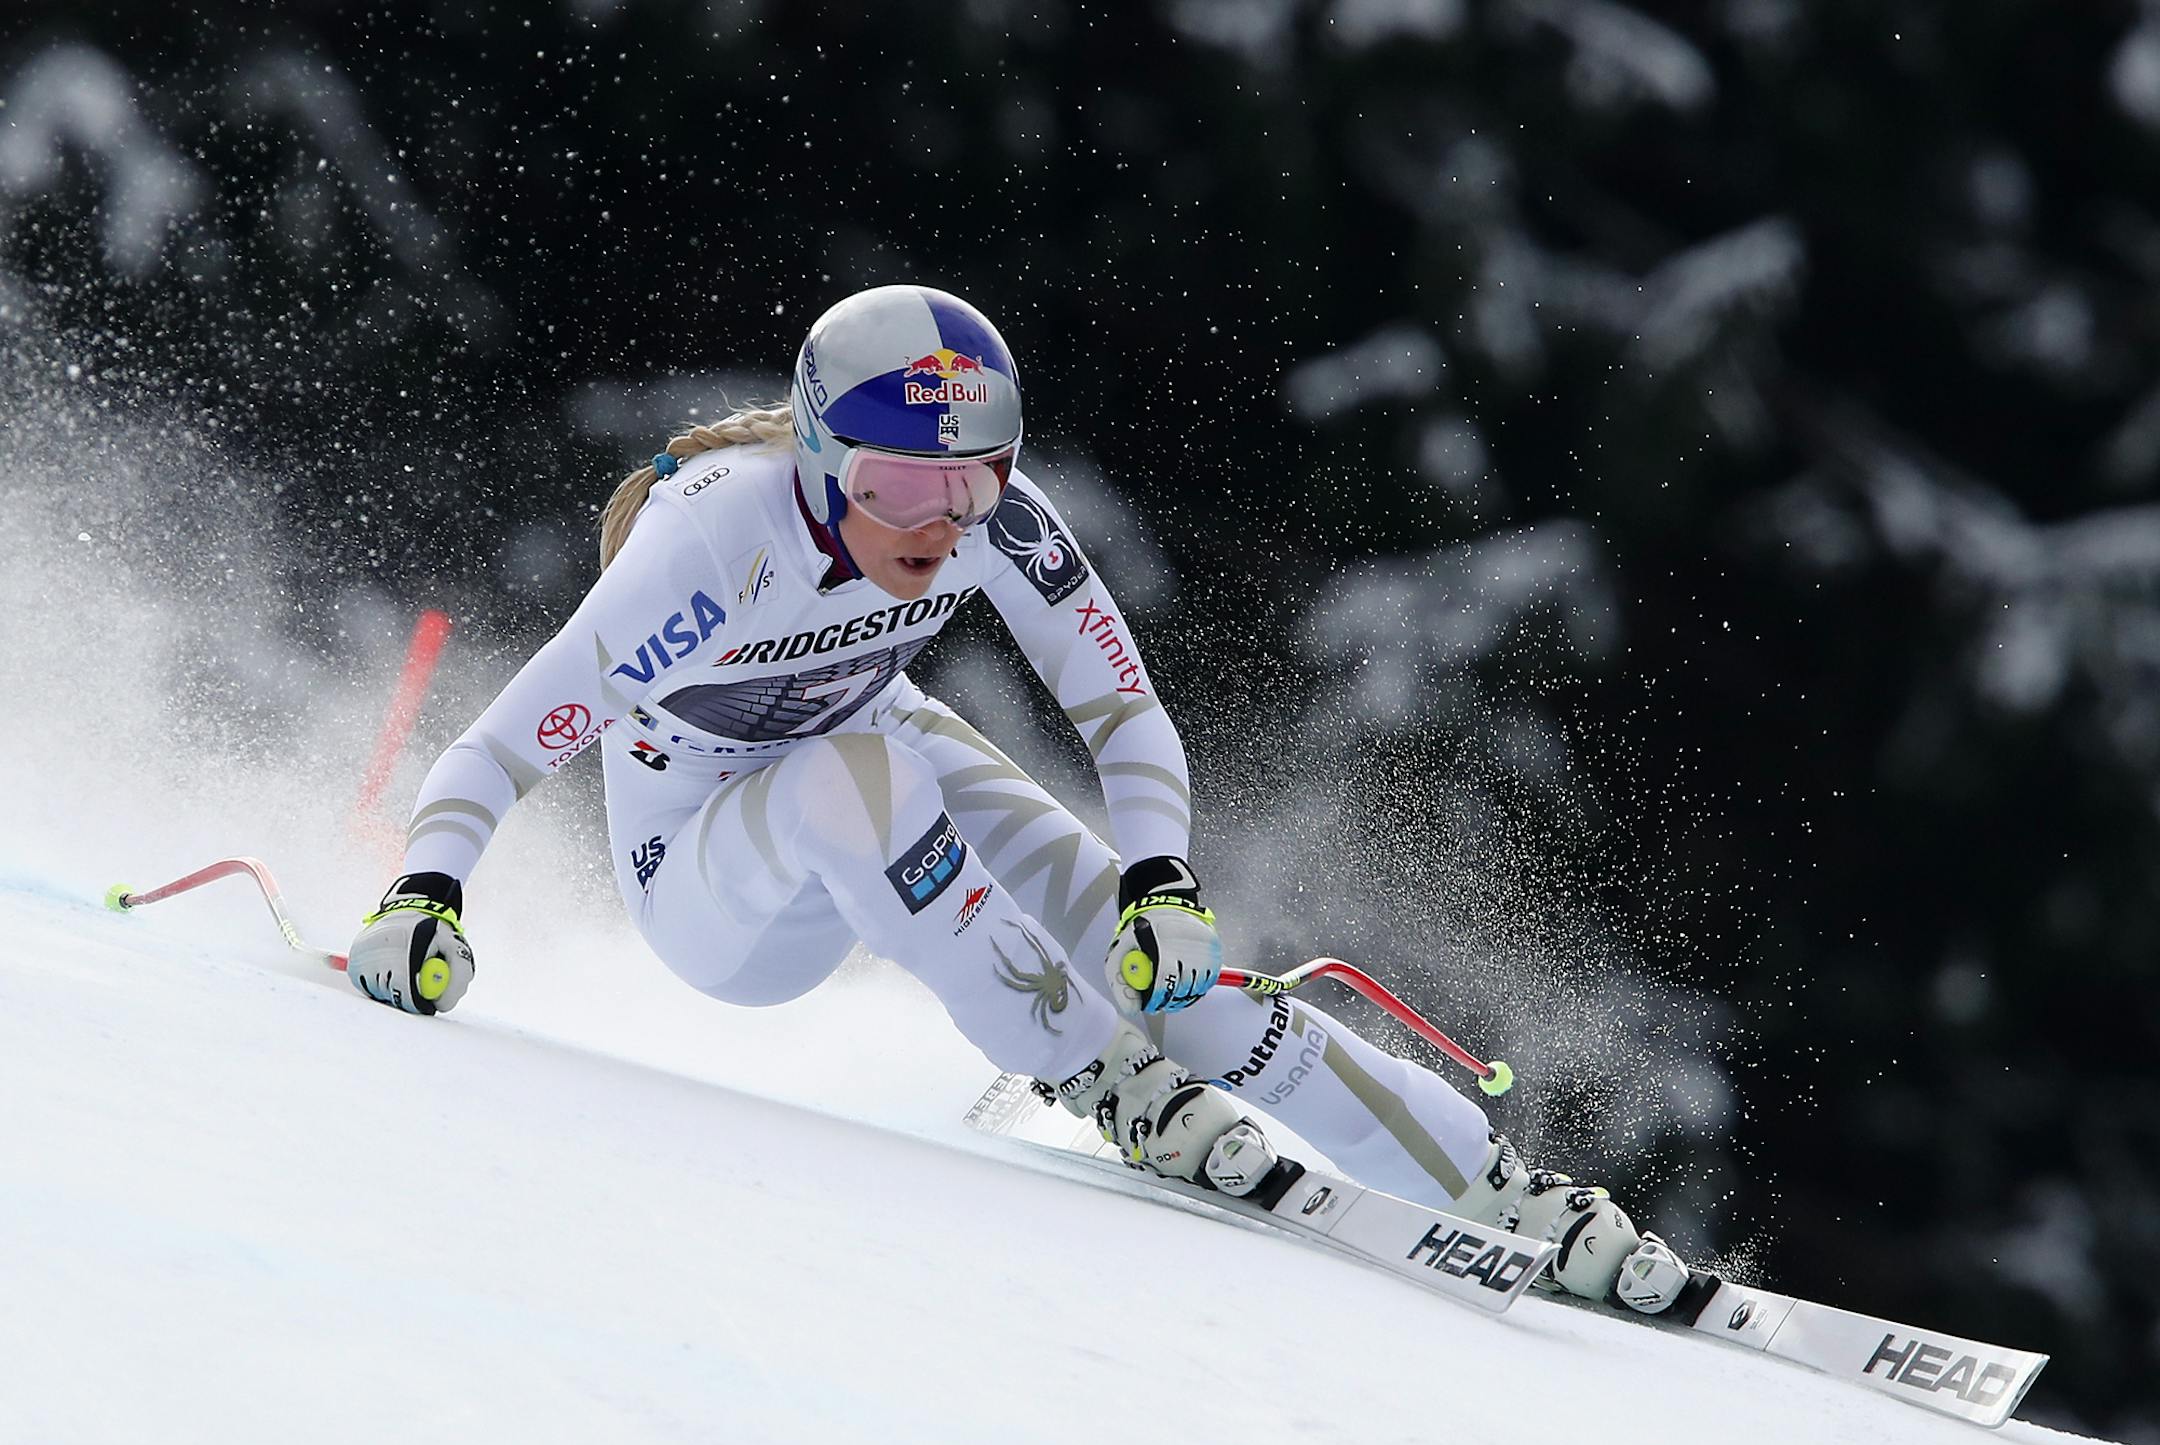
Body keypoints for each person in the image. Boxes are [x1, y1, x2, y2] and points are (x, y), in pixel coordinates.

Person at [345, 283, 1694, 1314]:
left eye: (972, 479)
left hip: (876, 749)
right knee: (857, 766)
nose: (939, 521)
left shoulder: (992, 519)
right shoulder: (714, 542)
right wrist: (424, 891)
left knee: (1170, 960)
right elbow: (504, 741)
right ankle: (1108, 1080)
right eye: (898, 487)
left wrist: (1162, 880)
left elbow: (1121, 708)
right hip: (714, 883)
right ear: (821, 462)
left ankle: (1495, 1184)